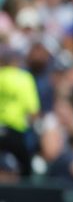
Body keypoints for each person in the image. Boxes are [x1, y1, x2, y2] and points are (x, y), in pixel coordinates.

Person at [0, 47, 41, 177]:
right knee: (26, 169)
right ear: (15, 62)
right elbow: (33, 110)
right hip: (15, 129)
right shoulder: (24, 78)